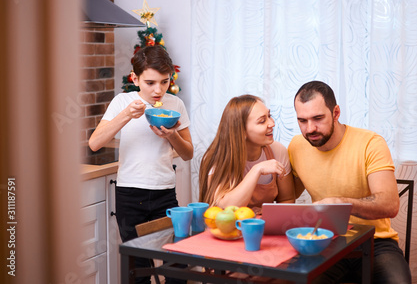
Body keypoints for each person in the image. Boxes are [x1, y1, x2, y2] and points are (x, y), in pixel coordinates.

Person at [88, 45, 193, 284]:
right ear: (135, 79)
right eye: (150, 82)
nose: (158, 90)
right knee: (139, 269)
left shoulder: (175, 104)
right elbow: (95, 143)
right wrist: (126, 115)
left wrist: (171, 135)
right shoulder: (122, 101)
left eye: (165, 82)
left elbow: (187, 154)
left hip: (165, 194)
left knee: (177, 263)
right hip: (129, 195)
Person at [288, 81, 411, 284]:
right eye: (302, 120)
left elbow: (390, 204)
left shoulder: (370, 143)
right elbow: (286, 197)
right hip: (326, 241)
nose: (310, 128)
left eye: (318, 118)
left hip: (375, 242)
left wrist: (341, 204)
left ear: (336, 113)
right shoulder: (296, 146)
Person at [199, 95, 295, 212]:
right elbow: (227, 207)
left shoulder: (277, 151)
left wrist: (269, 218)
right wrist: (256, 170)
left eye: (269, 116)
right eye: (262, 121)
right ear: (242, 131)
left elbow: (287, 199)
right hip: (227, 226)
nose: (272, 124)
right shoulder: (218, 157)